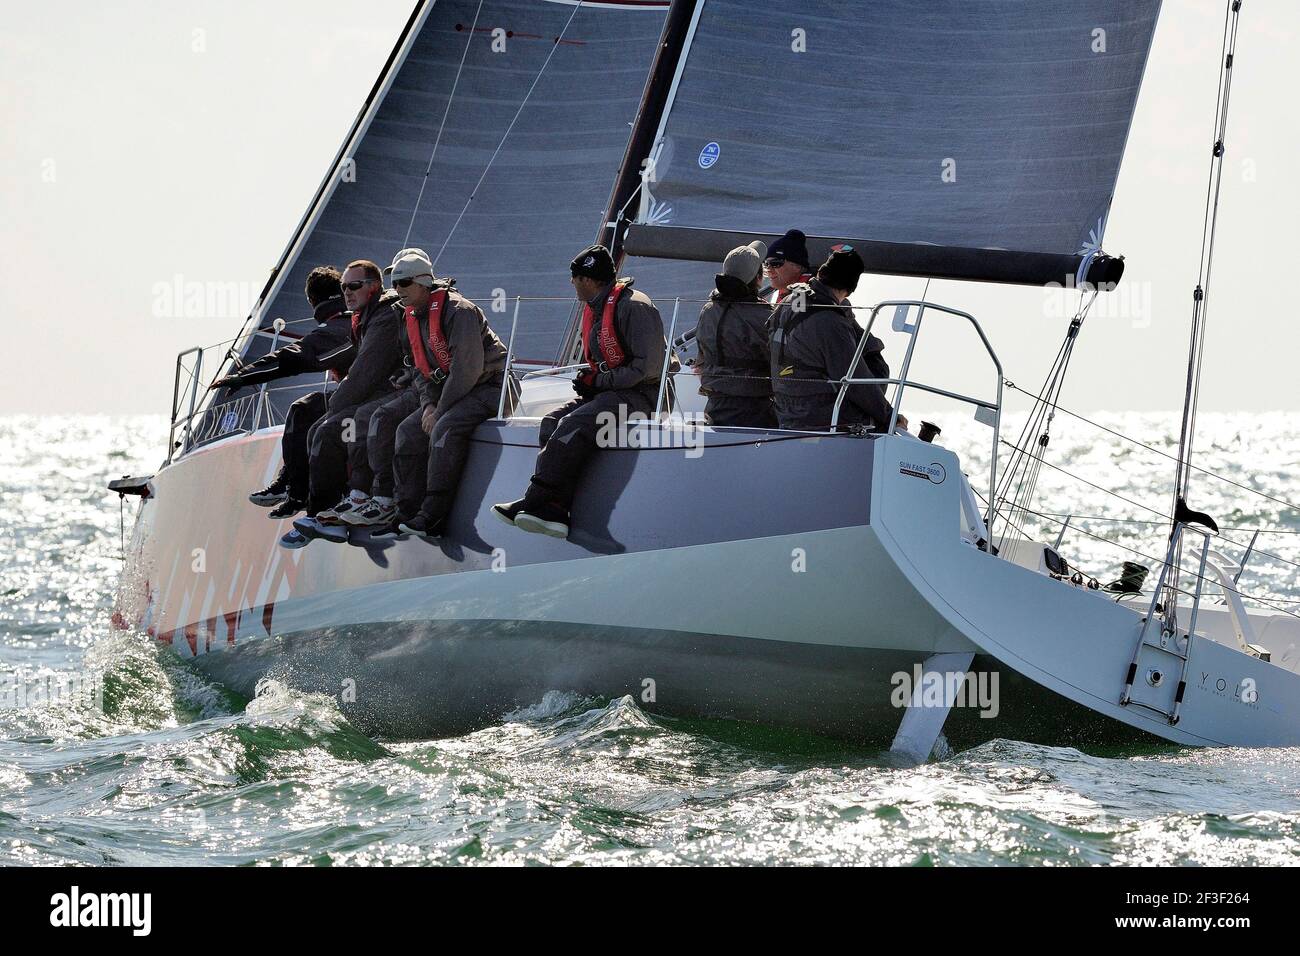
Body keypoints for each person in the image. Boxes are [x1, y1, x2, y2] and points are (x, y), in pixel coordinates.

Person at [493, 244, 671, 539]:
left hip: (645, 396)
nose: (572, 284)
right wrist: (591, 379)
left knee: (572, 424)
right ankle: (554, 507)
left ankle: (537, 500)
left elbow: (648, 369)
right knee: (551, 421)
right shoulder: (599, 308)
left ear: (587, 279)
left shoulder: (635, 306)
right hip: (614, 393)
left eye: (573, 278)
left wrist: (598, 382)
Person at [363, 251, 517, 540]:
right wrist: (429, 405)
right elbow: (420, 371)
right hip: (453, 393)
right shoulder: (411, 316)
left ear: (423, 283)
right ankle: (406, 513)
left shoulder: (460, 312)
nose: (398, 290)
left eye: (404, 282)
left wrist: (440, 410)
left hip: (493, 388)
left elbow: (467, 371)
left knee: (444, 429)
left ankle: (433, 516)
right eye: (395, 284)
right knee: (407, 431)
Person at [281, 259, 402, 548]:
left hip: (400, 391)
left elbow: (365, 372)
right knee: (317, 425)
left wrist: (334, 407)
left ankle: (340, 508)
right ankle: (323, 511)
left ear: (374, 287)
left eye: (354, 286)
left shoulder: (383, 317)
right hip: (382, 392)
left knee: (332, 427)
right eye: (343, 287)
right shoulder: (364, 315)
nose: (347, 292)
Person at [218, 266, 350, 518]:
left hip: (366, 395)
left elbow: (297, 356)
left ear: (312, 301)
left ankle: (296, 492)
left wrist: (243, 375)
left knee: (304, 410)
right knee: (308, 407)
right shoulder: (351, 320)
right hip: (355, 391)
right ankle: (289, 481)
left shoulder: (340, 326)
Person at [769, 246, 896, 432]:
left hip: (786, 410)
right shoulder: (831, 322)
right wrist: (888, 415)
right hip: (819, 415)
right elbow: (853, 379)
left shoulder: (792, 301)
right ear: (849, 288)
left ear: (821, 273)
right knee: (880, 425)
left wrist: (845, 316)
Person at [693, 240, 777, 428]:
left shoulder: (708, 310)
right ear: (758, 279)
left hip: (715, 406)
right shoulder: (765, 315)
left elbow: (701, 359)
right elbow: (779, 363)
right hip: (756, 410)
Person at [763, 228, 814, 305]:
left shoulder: (804, 294)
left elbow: (798, 315)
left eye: (775, 263)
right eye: (766, 264)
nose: (769, 269)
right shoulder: (776, 292)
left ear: (798, 267)